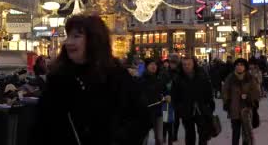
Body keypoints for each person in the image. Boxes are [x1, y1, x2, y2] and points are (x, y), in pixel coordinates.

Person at [31, 15, 150, 144]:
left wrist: (118, 140)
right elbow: (40, 126)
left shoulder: (116, 76)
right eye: (68, 36)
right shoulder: (58, 79)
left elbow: (141, 118)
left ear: (94, 40)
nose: (68, 42)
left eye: (76, 36)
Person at [172, 56, 215, 145]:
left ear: (193, 64)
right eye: (184, 64)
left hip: (201, 110)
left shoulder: (202, 76)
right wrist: (179, 109)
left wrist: (209, 107)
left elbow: (208, 93)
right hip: (186, 111)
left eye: (189, 64)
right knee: (189, 135)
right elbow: (175, 96)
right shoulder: (178, 78)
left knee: (203, 134)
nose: (186, 66)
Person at [223, 58, 260, 145]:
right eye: (237, 65)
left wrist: (248, 97)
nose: (239, 67)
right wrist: (226, 102)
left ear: (245, 67)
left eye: (241, 65)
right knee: (235, 132)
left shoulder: (250, 78)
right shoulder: (230, 78)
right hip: (234, 109)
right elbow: (225, 91)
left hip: (246, 110)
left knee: (246, 133)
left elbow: (256, 92)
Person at [139, 58, 165, 145]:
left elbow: (163, 92)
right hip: (146, 112)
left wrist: (165, 97)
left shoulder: (159, 78)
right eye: (151, 64)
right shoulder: (142, 79)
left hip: (158, 111)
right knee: (144, 137)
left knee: (159, 138)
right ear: (147, 66)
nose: (154, 66)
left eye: (155, 64)